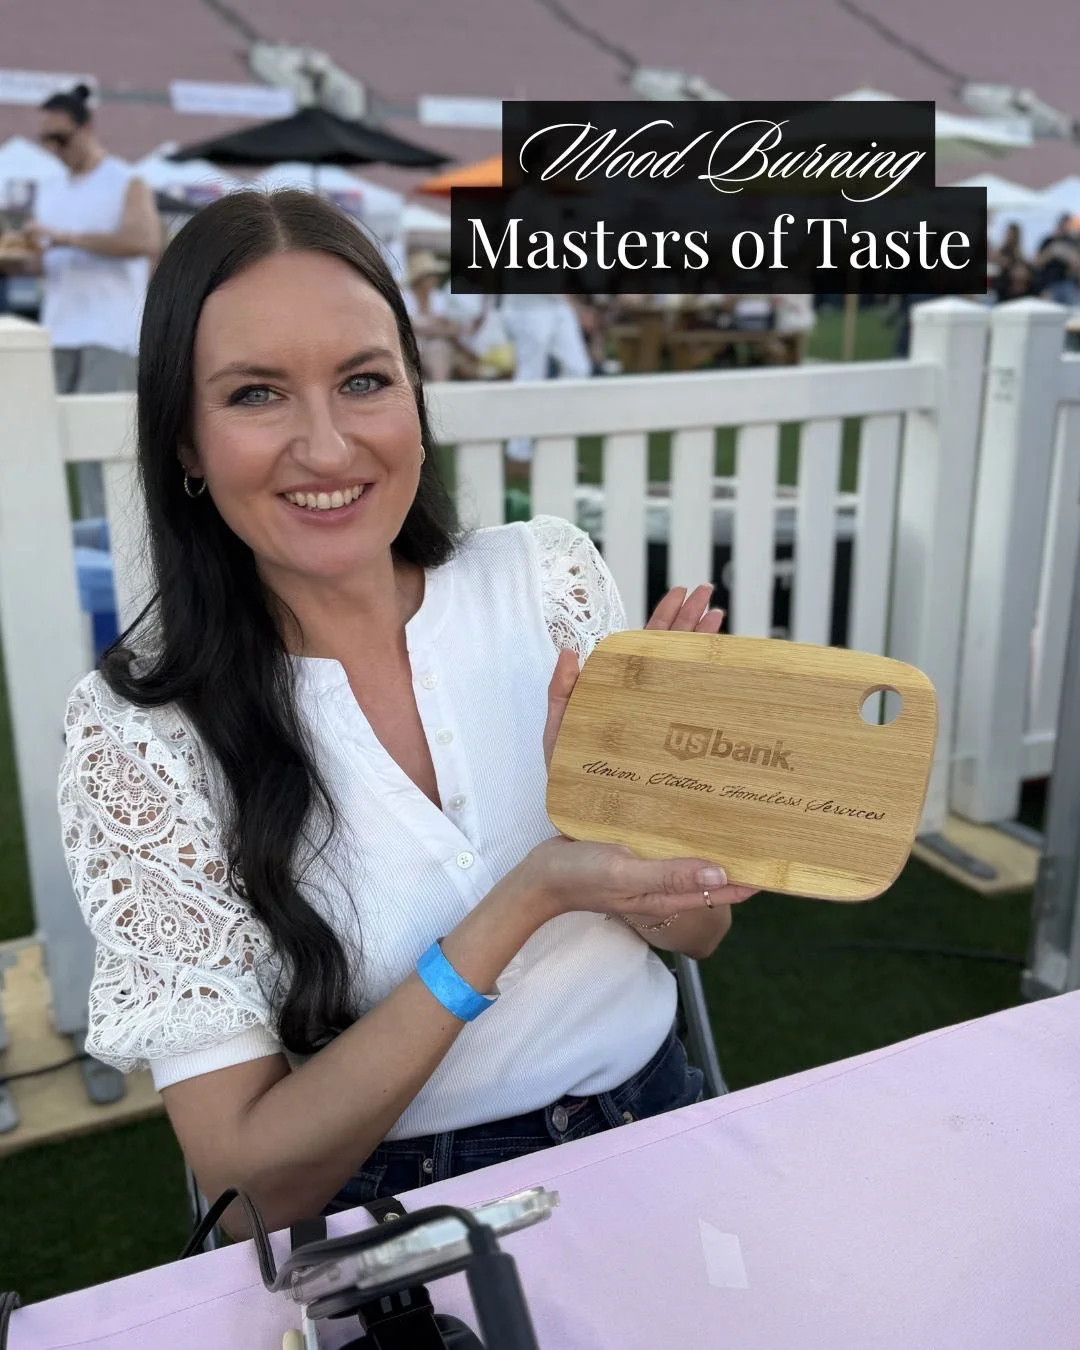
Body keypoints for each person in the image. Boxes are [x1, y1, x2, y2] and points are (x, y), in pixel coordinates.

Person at [57, 190, 756, 1238]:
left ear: (415, 399)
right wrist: (528, 896)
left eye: (364, 381)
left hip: (660, 1118)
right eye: (256, 395)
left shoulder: (548, 580)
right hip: (392, 1213)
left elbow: (700, 933)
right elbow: (252, 1190)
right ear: (185, 446)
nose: (330, 447)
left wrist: (622, 826)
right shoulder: (139, 735)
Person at [29, 83, 161, 515]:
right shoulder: (50, 187)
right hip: (59, 330)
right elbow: (46, 262)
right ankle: (73, 541)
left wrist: (66, 238)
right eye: (46, 139)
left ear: (88, 128)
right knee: (48, 446)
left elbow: (144, 239)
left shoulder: (125, 179)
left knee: (104, 456)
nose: (54, 148)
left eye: (61, 138)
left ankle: (110, 553)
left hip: (110, 333)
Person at [1033, 214, 1080, 307]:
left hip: (1067, 284)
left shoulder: (1072, 242)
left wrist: (1069, 256)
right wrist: (1051, 251)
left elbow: (1077, 266)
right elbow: (1037, 262)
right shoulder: (1048, 240)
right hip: (1049, 284)